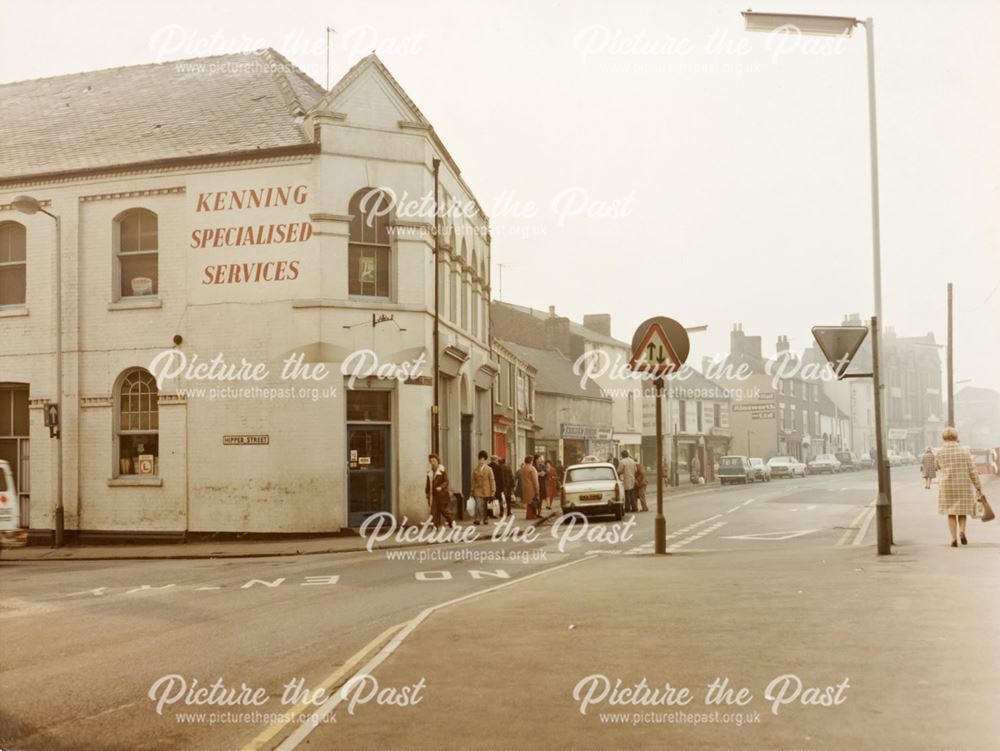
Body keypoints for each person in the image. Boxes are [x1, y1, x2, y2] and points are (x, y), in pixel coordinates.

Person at [935, 428, 984, 547]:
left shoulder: (940, 452)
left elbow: (937, 467)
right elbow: (972, 471)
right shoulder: (964, 452)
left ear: (943, 438)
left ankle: (953, 539)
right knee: (962, 512)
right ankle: (962, 532)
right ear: (956, 437)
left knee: (951, 513)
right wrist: (978, 486)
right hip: (963, 485)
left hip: (947, 486)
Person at [425, 453, 453, 528]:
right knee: (433, 511)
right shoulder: (429, 472)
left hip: (442, 494)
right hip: (433, 494)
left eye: (434, 461)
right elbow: (428, 484)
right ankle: (435, 526)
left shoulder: (442, 470)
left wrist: (441, 487)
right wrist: (427, 493)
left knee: (443, 510)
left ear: (437, 461)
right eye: (431, 461)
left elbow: (446, 481)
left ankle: (450, 520)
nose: (432, 463)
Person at [471, 450, 496, 525]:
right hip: (477, 490)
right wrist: (472, 490)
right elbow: (473, 481)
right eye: (480, 459)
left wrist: (493, 492)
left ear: (485, 460)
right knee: (478, 505)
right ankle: (477, 519)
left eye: (483, 459)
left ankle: (485, 519)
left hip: (486, 490)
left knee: (485, 506)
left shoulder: (489, 469)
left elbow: (492, 480)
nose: (481, 461)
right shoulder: (475, 469)